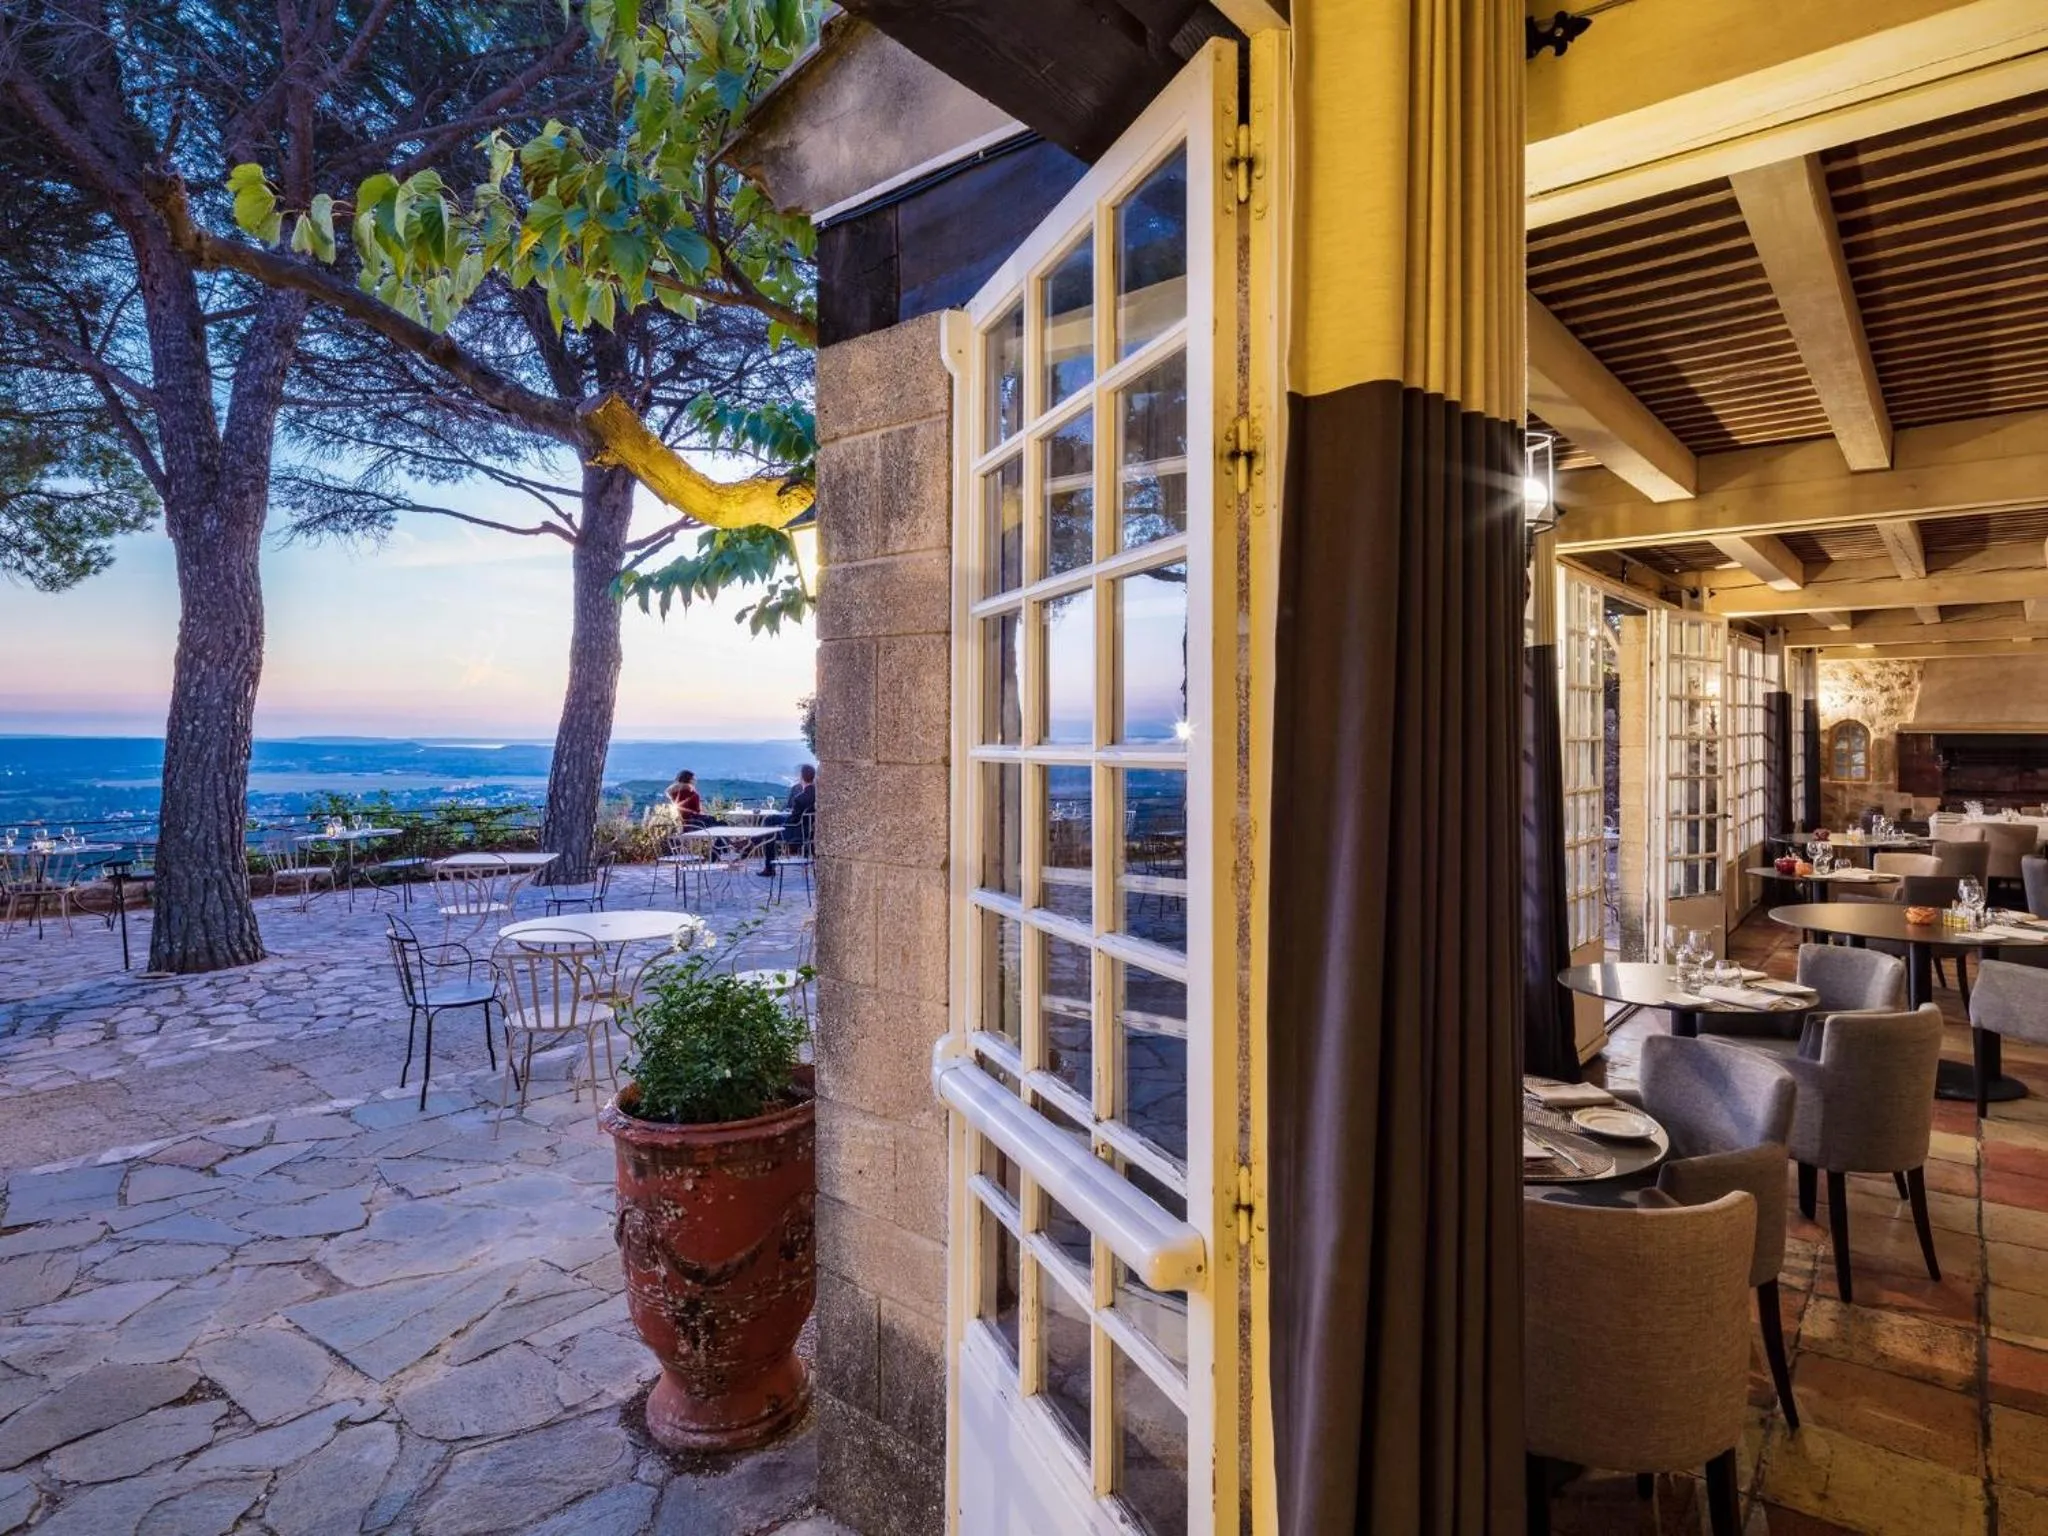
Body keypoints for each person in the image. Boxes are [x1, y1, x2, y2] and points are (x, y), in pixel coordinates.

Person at [760, 765, 817, 875]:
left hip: (796, 832)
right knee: (770, 819)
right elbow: (798, 816)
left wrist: (780, 826)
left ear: (801, 777)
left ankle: (769, 869)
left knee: (769, 833)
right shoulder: (817, 795)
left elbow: (792, 821)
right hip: (810, 831)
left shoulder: (800, 798)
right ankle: (750, 842)